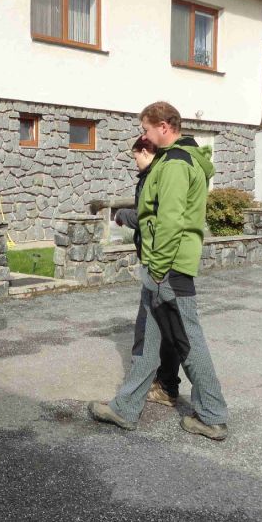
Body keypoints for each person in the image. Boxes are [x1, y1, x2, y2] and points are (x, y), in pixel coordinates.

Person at [89, 101, 229, 441]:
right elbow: (153, 215)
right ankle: (126, 408)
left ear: (164, 127)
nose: (144, 136)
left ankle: (212, 416)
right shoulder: (170, 161)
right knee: (147, 341)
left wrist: (159, 270)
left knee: (188, 343)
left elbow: (169, 222)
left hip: (168, 270)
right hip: (159, 269)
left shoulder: (176, 164)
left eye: (146, 129)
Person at [113, 135, 182, 408]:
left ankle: (138, 390)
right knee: (168, 330)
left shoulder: (158, 175)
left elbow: (149, 219)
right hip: (162, 264)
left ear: (144, 151)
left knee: (149, 328)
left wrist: (122, 215)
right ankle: (164, 385)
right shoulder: (160, 173)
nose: (135, 163)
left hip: (159, 266)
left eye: (135, 157)